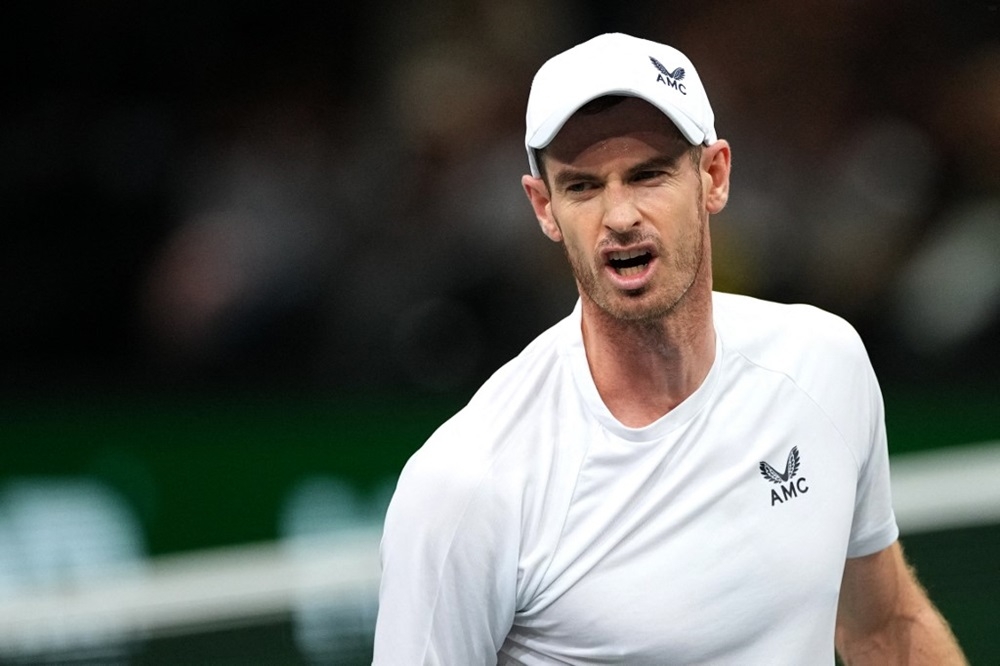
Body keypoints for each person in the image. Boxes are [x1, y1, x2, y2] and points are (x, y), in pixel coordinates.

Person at [373, 32, 966, 665]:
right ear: (543, 208)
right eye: (582, 187)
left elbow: (885, 629)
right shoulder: (467, 485)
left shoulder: (824, 363)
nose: (620, 215)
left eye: (648, 174)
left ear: (713, 176)